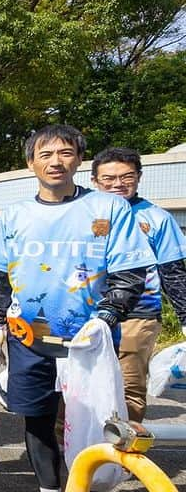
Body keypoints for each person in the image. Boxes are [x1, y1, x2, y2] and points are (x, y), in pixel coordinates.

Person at [0, 124, 153, 492]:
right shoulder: (14, 215)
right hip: (29, 341)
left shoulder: (108, 208)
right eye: (45, 154)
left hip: (89, 346)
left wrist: (108, 316)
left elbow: (130, 273)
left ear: (79, 159)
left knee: (93, 432)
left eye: (65, 152)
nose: (55, 160)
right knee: (36, 421)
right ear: (30, 163)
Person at [91, 146, 186, 422]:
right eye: (108, 178)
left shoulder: (157, 218)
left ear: (139, 177)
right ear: (95, 181)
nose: (118, 183)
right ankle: (74, 455)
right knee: (76, 386)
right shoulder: (82, 214)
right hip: (86, 312)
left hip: (138, 314)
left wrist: (184, 317)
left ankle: (126, 458)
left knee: (128, 387)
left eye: (126, 176)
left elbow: (172, 271)